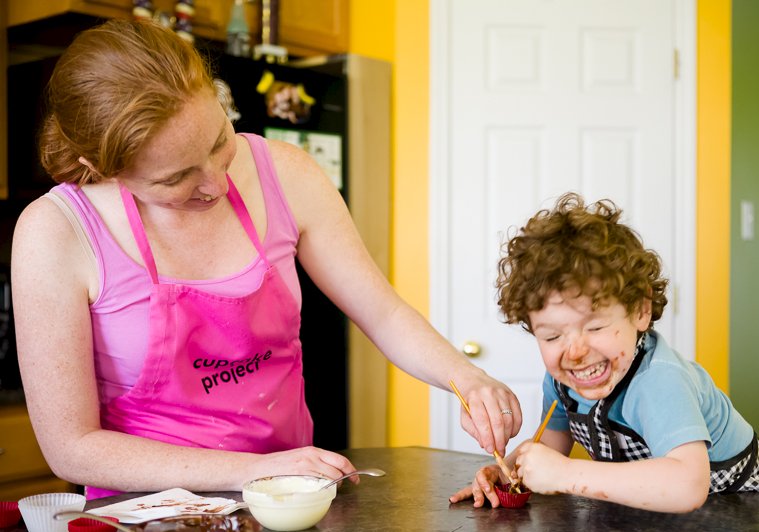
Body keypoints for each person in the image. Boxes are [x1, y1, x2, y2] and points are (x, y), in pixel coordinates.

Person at [11, 19, 522, 500]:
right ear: (99, 166)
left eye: (218, 142)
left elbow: (383, 313)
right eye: (175, 178)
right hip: (146, 524)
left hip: (291, 504)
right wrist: (252, 469)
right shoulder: (56, 233)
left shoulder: (287, 174)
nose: (214, 183)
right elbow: (71, 447)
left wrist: (466, 376)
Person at [449, 193, 759, 513]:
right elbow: (552, 445)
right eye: (552, 336)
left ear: (640, 312)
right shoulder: (561, 384)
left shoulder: (659, 379)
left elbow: (688, 484)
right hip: (670, 522)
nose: (576, 353)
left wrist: (566, 474)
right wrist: (508, 473)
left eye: (594, 327)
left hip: (748, 516)